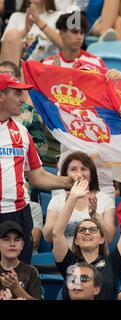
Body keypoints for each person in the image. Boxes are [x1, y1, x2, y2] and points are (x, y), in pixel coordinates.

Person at [0, 73, 73, 264]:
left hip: (18, 213)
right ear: (1, 95)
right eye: (17, 93)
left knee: (19, 274)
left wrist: (69, 183)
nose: (23, 99)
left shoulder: (22, 132)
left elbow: (37, 176)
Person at [52, 167, 121, 300]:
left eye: (93, 229)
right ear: (75, 240)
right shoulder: (69, 262)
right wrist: (73, 197)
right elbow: (57, 234)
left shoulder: (112, 263)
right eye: (81, 230)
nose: (87, 232)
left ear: (102, 239)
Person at [43, 151, 116, 247]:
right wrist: (67, 207)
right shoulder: (57, 200)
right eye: (73, 169)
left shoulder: (105, 199)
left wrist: (95, 217)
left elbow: (110, 238)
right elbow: (47, 237)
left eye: (84, 169)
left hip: (95, 258)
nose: (79, 173)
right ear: (66, 175)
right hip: (64, 258)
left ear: (91, 174)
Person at [0, 0, 62, 65]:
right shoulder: (16, 16)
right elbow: (6, 51)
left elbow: (63, 44)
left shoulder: (58, 15)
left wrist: (38, 21)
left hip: (45, 70)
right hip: (18, 71)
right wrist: (25, 30)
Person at [0, 221, 41, 300]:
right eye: (6, 239)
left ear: (22, 245)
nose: (12, 243)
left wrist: (16, 289)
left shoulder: (31, 272)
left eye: (17, 239)